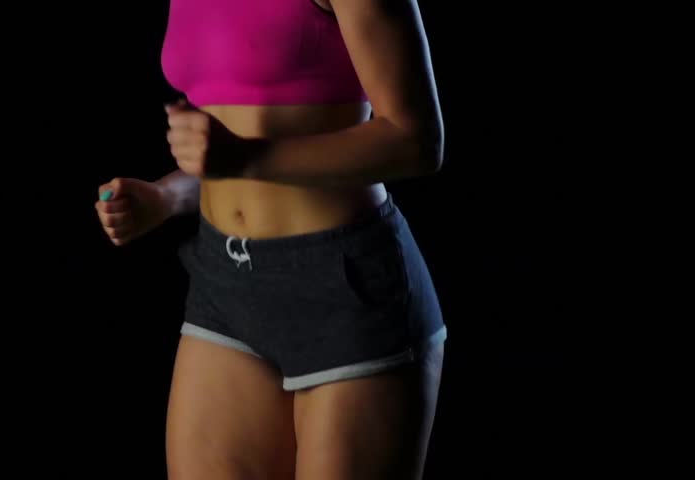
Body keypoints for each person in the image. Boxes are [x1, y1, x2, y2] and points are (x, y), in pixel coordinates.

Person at [96, 0, 447, 478]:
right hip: (227, 283)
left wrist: (247, 159)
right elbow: (231, 146)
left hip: (345, 288)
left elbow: (418, 141)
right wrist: (165, 196)